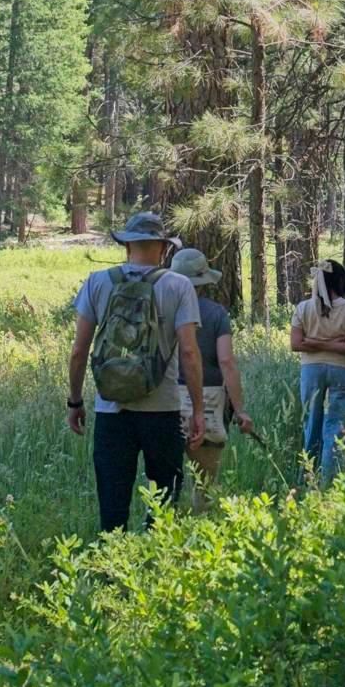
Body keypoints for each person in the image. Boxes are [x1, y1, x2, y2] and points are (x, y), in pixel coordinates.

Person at [66, 211, 205, 533]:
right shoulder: (178, 285)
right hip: (163, 410)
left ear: (128, 246)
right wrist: (197, 409)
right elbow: (189, 352)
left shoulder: (98, 282)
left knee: (112, 509)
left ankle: (112, 574)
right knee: (165, 503)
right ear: (163, 247)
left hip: (112, 410)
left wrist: (75, 402)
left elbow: (78, 351)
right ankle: (154, 571)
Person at [169, 247, 254, 510]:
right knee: (205, 482)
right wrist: (239, 410)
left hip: (165, 401)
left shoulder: (162, 309)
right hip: (209, 402)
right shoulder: (216, 314)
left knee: (164, 482)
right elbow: (226, 362)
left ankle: (162, 534)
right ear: (204, 280)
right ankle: (203, 535)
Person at [290, 258, 345, 482]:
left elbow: (296, 344)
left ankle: (308, 475)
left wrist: (314, 342)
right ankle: (329, 479)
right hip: (341, 369)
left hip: (311, 369)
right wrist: (335, 343)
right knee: (335, 424)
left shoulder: (303, 308)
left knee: (311, 421)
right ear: (340, 281)